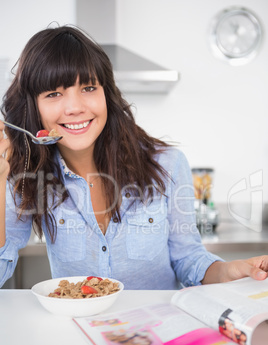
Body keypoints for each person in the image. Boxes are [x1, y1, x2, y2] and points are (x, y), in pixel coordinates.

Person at [0, 25, 267, 290]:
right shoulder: (26, 175)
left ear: (107, 93)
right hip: (76, 330)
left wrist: (227, 270)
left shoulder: (168, 164)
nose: (75, 108)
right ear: (33, 108)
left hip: (157, 328)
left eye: (89, 88)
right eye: (54, 94)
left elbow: (189, 259)